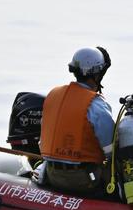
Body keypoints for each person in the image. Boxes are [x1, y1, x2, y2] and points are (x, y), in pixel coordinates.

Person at [39, 46, 115, 197]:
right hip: (82, 179)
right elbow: (111, 150)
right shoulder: (97, 105)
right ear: (98, 73)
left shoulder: (53, 95)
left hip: (51, 174)